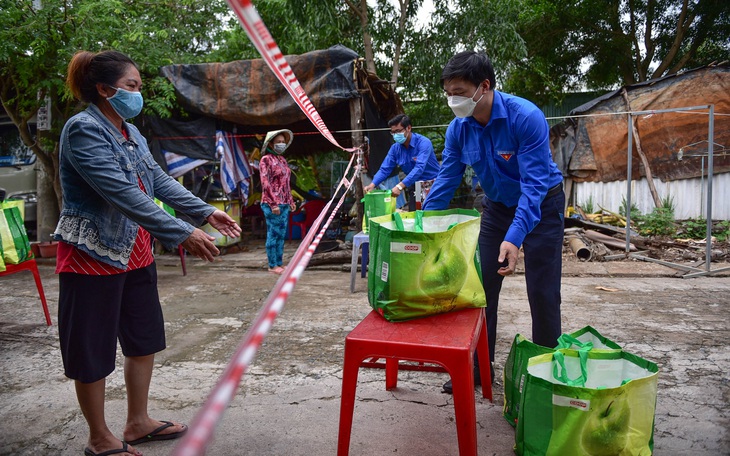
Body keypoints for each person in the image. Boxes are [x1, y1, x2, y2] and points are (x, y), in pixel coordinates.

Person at [53, 50, 242, 456]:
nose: (139, 94)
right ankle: (99, 437)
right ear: (104, 89)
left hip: (136, 250)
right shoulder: (83, 130)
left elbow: (155, 180)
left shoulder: (131, 132)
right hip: (93, 253)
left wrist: (206, 211)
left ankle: (138, 422)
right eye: (132, 86)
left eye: (139, 86)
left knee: (143, 339)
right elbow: (123, 195)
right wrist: (181, 232)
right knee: (92, 349)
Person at [422, 51, 565, 394]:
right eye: (448, 93)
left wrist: (515, 238)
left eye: (458, 91)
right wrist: (422, 221)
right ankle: (476, 368)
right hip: (498, 207)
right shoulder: (459, 129)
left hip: (542, 206)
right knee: (481, 290)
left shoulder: (525, 117)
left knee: (542, 292)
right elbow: (447, 177)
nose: (452, 100)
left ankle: (546, 378)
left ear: (484, 87)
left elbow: (533, 186)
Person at [363, 114, 440, 210]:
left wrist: (400, 186)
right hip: (414, 185)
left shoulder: (424, 143)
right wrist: (372, 185)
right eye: (393, 132)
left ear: (408, 128)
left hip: (433, 185)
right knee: (414, 217)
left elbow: (419, 168)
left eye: (398, 131)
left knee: (432, 217)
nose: (395, 135)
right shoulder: (395, 149)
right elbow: (385, 169)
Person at [258, 129, 297, 274]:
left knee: (281, 234)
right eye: (278, 142)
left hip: (284, 203)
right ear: (271, 144)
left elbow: (286, 183)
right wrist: (273, 203)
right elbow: (265, 182)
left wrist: (290, 200)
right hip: (271, 204)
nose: (281, 144)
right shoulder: (266, 160)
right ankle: (272, 265)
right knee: (273, 234)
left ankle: (279, 262)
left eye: (283, 142)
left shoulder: (282, 160)